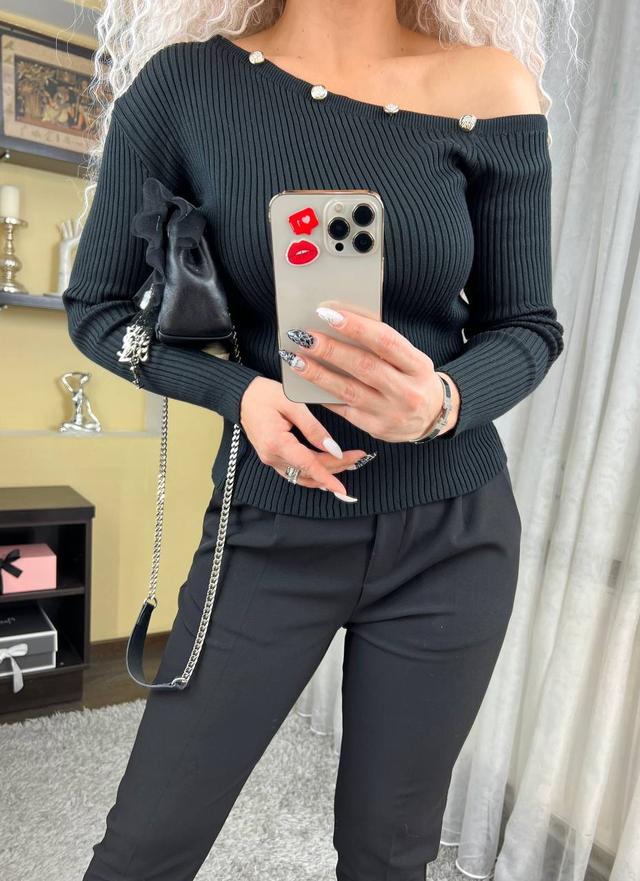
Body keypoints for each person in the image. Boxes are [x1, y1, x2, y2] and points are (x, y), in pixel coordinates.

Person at [62, 1, 565, 878]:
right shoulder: (185, 86)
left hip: (454, 536)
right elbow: (97, 311)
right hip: (267, 529)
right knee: (144, 849)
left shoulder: (492, 87)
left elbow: (527, 325)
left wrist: (443, 401)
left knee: (390, 854)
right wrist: (240, 393)